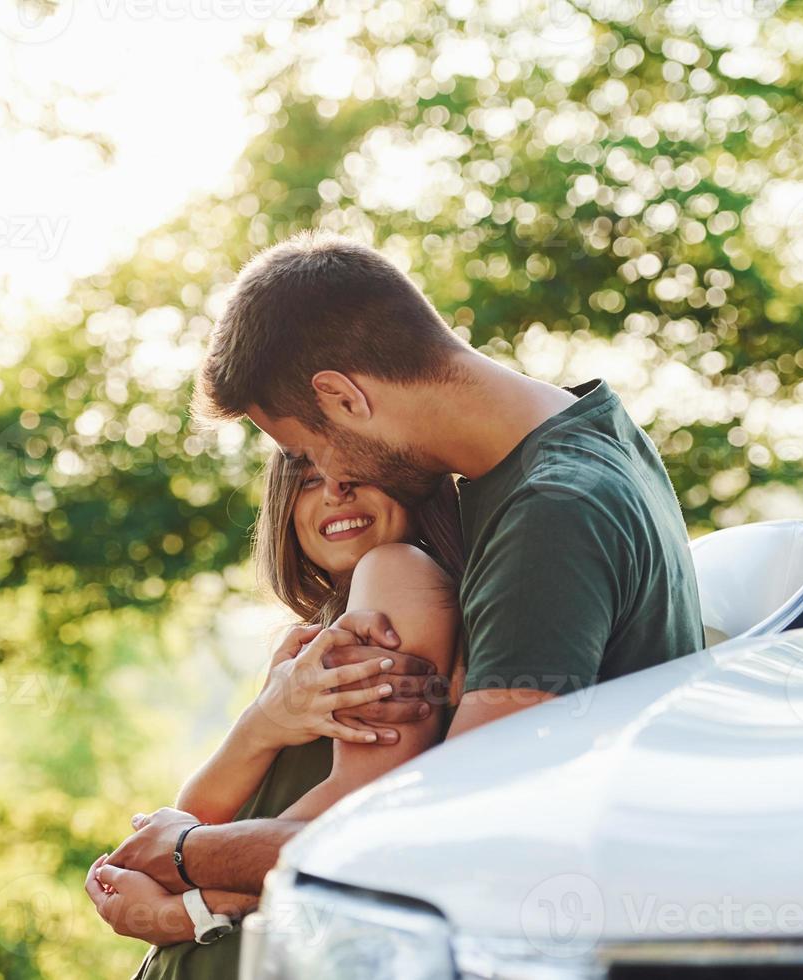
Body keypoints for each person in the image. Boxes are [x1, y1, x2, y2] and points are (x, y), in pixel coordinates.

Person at [93, 230, 703, 935]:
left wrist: (191, 861)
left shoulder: (553, 511)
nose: (333, 478)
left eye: (305, 447)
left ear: (343, 397)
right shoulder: (587, 435)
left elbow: (450, 830)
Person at [86, 450, 464, 979]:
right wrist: (262, 723)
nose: (336, 491)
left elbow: (354, 817)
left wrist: (194, 908)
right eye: (309, 480)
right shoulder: (312, 636)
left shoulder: (398, 570)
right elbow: (205, 817)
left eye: (359, 472)